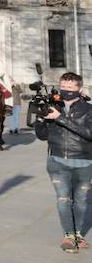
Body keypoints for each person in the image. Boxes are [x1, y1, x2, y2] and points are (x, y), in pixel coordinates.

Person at [35, 72, 92, 252]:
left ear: (79, 89)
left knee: (81, 201)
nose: (66, 91)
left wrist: (59, 118)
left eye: (70, 88)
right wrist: (40, 119)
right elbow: (42, 135)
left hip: (83, 161)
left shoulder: (88, 110)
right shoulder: (53, 106)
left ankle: (78, 235)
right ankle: (69, 236)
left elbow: (89, 133)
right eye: (64, 87)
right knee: (64, 199)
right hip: (57, 161)